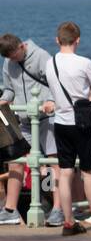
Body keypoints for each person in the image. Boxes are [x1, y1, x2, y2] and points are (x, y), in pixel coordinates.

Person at [46, 23, 91, 236]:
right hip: (81, 122)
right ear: (78, 40)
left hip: (60, 122)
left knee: (65, 172)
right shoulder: (84, 63)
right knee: (88, 172)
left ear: (57, 40)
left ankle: (68, 222)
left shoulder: (50, 63)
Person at [0, 34, 55, 225]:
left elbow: (55, 82)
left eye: (15, 56)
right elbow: (9, 89)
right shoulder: (8, 62)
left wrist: (51, 101)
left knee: (52, 163)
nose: (13, 60)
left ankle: (59, 209)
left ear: (22, 46)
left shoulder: (41, 56)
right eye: (10, 58)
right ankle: (10, 210)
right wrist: (4, 99)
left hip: (46, 118)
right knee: (16, 161)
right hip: (24, 120)